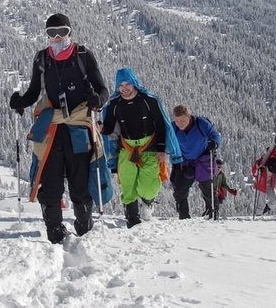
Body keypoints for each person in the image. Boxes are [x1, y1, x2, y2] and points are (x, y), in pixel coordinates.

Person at [9, 13, 109, 244]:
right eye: (51, 33)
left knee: (80, 181)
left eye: (61, 32)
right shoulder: (42, 59)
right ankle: (54, 231)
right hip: (53, 128)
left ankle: (84, 226)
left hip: (78, 126)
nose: (56, 37)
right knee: (51, 181)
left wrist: (97, 100)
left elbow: (102, 89)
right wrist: (21, 101)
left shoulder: (83, 55)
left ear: (70, 32)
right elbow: (35, 91)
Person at [101, 68, 182, 228]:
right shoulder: (114, 104)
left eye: (128, 84)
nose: (124, 88)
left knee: (148, 185)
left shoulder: (148, 100)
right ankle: (132, 218)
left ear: (134, 83)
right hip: (127, 148)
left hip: (149, 147)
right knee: (127, 182)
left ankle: (147, 202)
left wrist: (161, 149)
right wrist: (101, 128)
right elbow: (110, 127)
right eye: (121, 85)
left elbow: (160, 124)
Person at [170, 105, 223, 219]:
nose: (180, 123)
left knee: (208, 188)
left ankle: (212, 212)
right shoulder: (173, 127)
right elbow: (166, 140)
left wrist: (215, 143)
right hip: (184, 160)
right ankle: (184, 216)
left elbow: (215, 134)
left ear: (189, 116)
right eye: (177, 120)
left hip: (203, 158)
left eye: (183, 120)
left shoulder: (201, 123)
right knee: (180, 189)